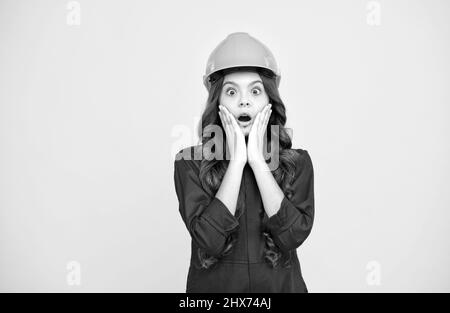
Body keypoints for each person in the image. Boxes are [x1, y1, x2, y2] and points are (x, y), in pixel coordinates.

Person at [173, 32, 315, 293]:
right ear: (218, 102)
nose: (244, 101)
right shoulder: (189, 163)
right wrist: (237, 163)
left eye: (255, 90)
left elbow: (292, 236)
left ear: (269, 100)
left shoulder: (298, 163)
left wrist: (258, 163)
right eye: (231, 91)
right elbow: (210, 240)